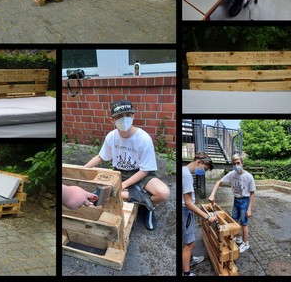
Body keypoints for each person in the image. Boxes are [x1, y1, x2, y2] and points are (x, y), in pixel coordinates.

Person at [84, 99, 171, 230]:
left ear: (133, 116)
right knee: (96, 193)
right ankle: (139, 197)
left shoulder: (143, 138)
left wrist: (122, 185)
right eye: (119, 116)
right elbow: (101, 157)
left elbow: (145, 170)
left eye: (128, 115)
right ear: (112, 120)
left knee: (163, 193)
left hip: (140, 173)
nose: (124, 119)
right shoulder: (111, 137)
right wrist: (82, 170)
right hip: (119, 171)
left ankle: (147, 206)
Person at [208, 154, 256, 254]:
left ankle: (245, 243)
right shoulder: (232, 174)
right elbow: (218, 182)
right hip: (236, 200)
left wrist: (249, 208)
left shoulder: (248, 176)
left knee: (244, 223)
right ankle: (238, 238)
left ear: (242, 163)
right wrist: (212, 194)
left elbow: (252, 193)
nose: (236, 165)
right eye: (234, 164)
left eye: (238, 163)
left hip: (245, 201)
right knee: (234, 221)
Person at [182, 152, 217, 276]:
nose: (204, 172)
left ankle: (190, 259)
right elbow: (188, 204)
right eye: (205, 168)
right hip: (185, 213)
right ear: (198, 162)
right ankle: (187, 273)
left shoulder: (184, 171)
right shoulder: (187, 176)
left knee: (187, 240)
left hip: (186, 212)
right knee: (189, 243)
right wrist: (207, 216)